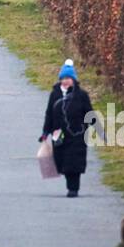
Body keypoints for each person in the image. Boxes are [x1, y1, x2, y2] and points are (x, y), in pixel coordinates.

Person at [39, 59, 92, 197]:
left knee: (74, 162)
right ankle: (70, 184)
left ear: (73, 79)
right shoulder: (55, 94)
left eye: (68, 78)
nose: (65, 81)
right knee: (62, 161)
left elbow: (89, 113)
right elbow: (49, 113)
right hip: (59, 135)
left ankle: (73, 189)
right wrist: (45, 132)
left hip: (78, 135)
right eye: (63, 78)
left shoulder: (81, 95)